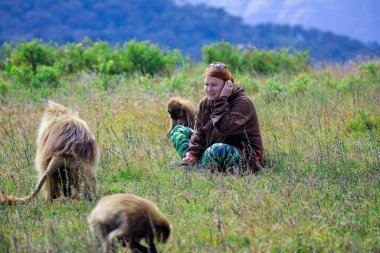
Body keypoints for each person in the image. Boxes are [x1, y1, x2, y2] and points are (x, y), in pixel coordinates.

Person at [170, 62, 264, 173]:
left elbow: (224, 128)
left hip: (244, 157)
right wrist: (192, 154)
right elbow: (199, 135)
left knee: (217, 149)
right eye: (206, 84)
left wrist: (222, 98)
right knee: (178, 130)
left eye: (214, 85)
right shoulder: (204, 103)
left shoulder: (243, 103)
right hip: (211, 149)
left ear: (227, 85)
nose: (209, 89)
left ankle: (199, 168)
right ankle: (194, 163)